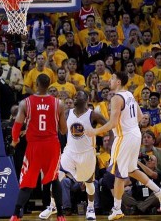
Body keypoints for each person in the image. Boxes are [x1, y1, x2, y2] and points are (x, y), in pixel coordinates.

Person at [85, 71, 161, 221]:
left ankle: (117, 209)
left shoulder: (116, 98)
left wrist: (95, 131)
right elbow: (140, 116)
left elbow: (113, 123)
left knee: (118, 173)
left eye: (112, 78)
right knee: (132, 170)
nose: (110, 80)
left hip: (124, 137)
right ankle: (158, 192)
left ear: (118, 82)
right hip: (135, 134)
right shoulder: (130, 94)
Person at [9, 74, 68, 221]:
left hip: (34, 146)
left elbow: (16, 127)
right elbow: (64, 130)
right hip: (51, 145)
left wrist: (15, 141)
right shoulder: (58, 104)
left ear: (36, 83)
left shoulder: (25, 103)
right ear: (49, 85)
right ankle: (60, 215)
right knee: (54, 179)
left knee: (28, 181)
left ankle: (16, 214)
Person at [60, 90, 108, 220]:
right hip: (70, 151)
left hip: (87, 154)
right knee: (57, 174)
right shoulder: (67, 112)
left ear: (86, 99)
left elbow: (109, 126)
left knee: (88, 183)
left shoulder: (93, 115)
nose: (75, 96)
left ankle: (90, 207)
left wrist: (99, 133)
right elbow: (60, 128)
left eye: (79, 95)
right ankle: (53, 206)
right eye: (74, 95)